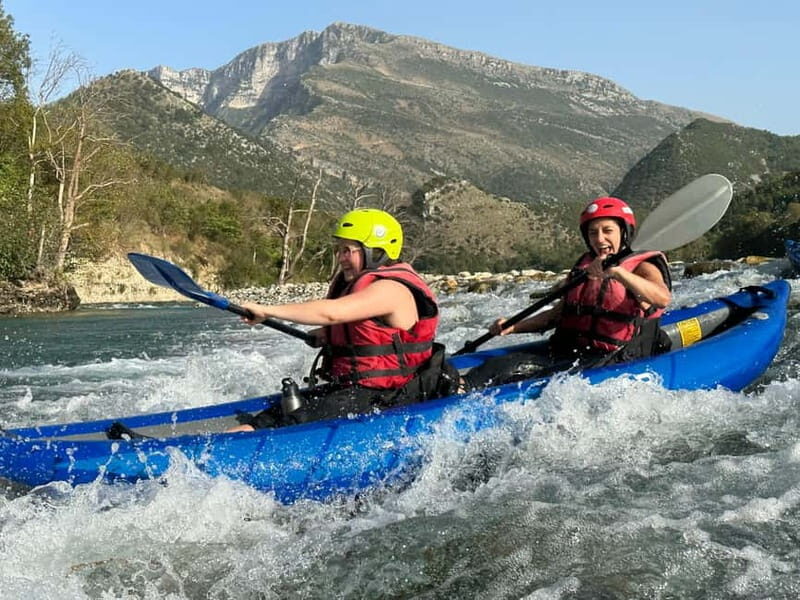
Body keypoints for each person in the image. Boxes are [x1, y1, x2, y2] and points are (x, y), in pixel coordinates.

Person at [228, 208, 457, 432]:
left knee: (292, 424)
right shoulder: (361, 285)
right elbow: (363, 330)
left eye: (348, 250)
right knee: (267, 419)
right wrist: (327, 334)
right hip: (354, 390)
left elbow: (332, 313)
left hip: (391, 394)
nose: (341, 258)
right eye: (339, 250)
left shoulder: (391, 289)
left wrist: (267, 311)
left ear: (376, 251)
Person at [463, 196, 673, 390]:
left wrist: (618, 274)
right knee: (495, 367)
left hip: (616, 356)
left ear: (623, 232)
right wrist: (513, 326)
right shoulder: (584, 266)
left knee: (543, 379)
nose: (600, 239)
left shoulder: (642, 266)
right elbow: (557, 315)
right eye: (593, 232)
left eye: (607, 231)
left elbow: (661, 298)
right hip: (570, 350)